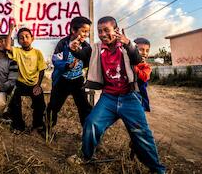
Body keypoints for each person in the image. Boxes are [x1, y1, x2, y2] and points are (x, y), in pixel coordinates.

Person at [68, 16, 165, 173]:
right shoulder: (97, 48)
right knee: (92, 123)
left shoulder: (127, 46)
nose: (103, 34)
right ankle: (86, 156)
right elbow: (83, 55)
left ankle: (157, 169)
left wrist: (128, 43)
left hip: (129, 97)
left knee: (142, 134)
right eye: (99, 31)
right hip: (109, 97)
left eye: (107, 30)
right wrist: (74, 49)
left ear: (116, 31)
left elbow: (137, 58)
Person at [46, 16, 92, 129]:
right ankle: (47, 128)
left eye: (87, 32)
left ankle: (87, 130)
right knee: (54, 105)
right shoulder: (63, 43)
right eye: (83, 31)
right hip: (62, 80)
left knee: (84, 106)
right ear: (73, 30)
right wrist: (68, 65)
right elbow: (56, 60)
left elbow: (88, 61)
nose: (86, 35)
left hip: (78, 80)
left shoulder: (86, 46)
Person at [5, 24, 47, 133]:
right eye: (21, 38)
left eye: (27, 36)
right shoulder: (18, 51)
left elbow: (42, 69)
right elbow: (7, 47)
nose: (24, 39)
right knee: (14, 98)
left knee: (40, 103)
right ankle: (18, 125)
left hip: (34, 84)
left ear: (32, 38)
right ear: (18, 41)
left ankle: (37, 125)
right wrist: (11, 30)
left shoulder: (37, 53)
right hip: (20, 83)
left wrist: (38, 85)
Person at [134, 37, 152, 112]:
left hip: (140, 92)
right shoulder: (130, 63)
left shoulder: (146, 66)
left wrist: (134, 68)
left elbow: (144, 76)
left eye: (147, 50)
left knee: (139, 106)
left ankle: (144, 107)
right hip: (130, 90)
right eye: (141, 50)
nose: (144, 53)